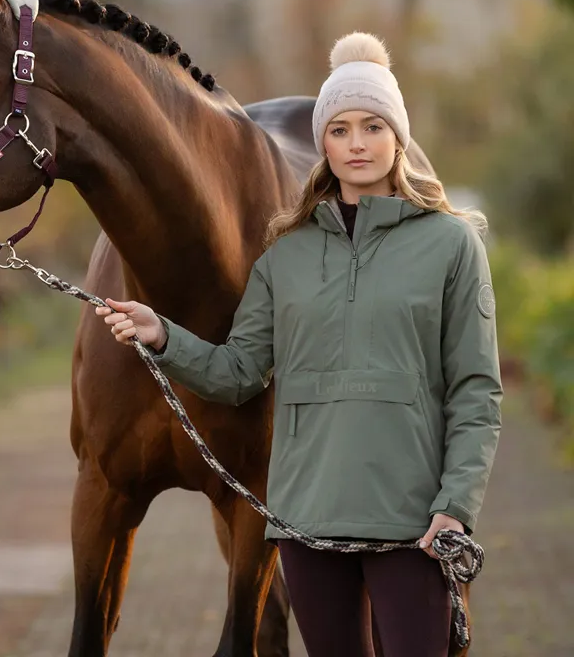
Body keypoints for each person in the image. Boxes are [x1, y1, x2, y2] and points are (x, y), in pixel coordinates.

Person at [95, 32, 502, 657]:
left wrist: (455, 507)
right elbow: (238, 373)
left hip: (414, 528)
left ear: (397, 136)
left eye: (372, 126)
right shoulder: (285, 253)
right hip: (306, 530)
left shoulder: (451, 245)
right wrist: (163, 335)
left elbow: (476, 391)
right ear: (323, 143)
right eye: (339, 130)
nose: (357, 144)